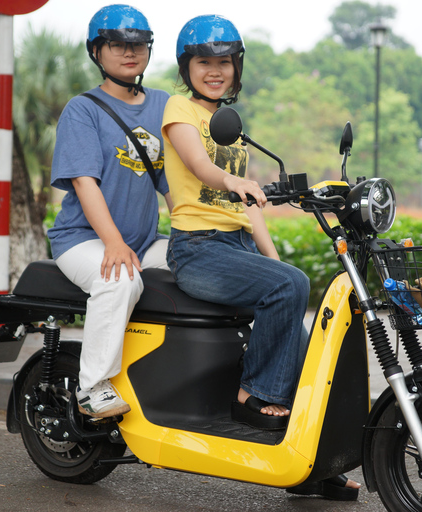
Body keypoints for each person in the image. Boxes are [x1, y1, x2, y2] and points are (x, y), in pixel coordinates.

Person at [162, 14, 360, 501]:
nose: (215, 71)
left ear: (236, 67)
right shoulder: (179, 110)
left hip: (235, 246)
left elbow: (249, 212)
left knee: (297, 301)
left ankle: (311, 460)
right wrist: (233, 181)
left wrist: (274, 262)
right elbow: (199, 166)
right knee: (288, 286)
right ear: (187, 67)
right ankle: (255, 397)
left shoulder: (232, 127)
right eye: (204, 62)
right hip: (197, 249)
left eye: (224, 62)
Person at [47, 4, 172, 419]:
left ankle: (159, 376)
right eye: (116, 44)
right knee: (119, 279)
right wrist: (113, 243)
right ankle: (92, 387)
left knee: (197, 265)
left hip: (145, 241)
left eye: (137, 44)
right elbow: (85, 182)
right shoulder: (82, 109)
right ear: (97, 51)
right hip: (81, 239)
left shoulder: (163, 106)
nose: (129, 52)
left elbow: (174, 184)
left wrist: (199, 238)